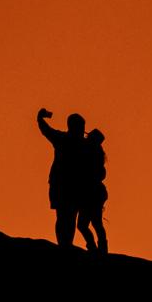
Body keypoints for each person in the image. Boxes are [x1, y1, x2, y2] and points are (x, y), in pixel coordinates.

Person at [37, 107, 87, 247]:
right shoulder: (82, 144)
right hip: (70, 186)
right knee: (68, 216)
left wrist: (40, 118)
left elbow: (46, 130)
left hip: (62, 185)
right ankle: (65, 245)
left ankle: (64, 245)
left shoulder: (62, 139)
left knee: (64, 216)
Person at [76, 128, 108, 254]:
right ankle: (99, 248)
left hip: (91, 193)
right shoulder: (97, 153)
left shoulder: (91, 153)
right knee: (95, 223)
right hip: (95, 193)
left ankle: (95, 248)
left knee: (86, 224)